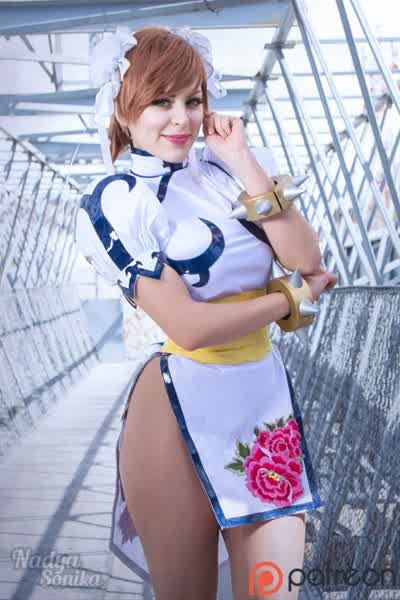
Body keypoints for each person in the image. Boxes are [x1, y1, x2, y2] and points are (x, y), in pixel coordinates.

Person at [75, 25, 338, 600]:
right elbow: (189, 327)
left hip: (261, 398)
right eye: (160, 101)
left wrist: (243, 161)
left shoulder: (226, 174)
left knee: (277, 589)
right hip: (175, 404)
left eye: (192, 99)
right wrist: (290, 300)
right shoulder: (118, 199)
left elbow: (306, 258)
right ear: (122, 109)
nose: (182, 119)